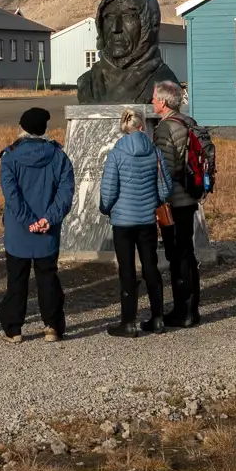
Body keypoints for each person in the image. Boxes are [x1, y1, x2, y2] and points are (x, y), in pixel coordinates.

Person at [0, 107, 73, 342]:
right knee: (48, 278)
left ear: (22, 128)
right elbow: (65, 193)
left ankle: (13, 329)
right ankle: (52, 326)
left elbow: (11, 195)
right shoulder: (58, 156)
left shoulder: (10, 157)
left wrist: (28, 221)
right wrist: (48, 218)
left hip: (19, 229)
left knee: (16, 280)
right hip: (47, 228)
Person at [98, 107, 168, 337]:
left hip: (123, 221)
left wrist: (105, 208)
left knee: (126, 269)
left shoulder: (116, 153)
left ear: (124, 127)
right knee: (151, 267)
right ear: (142, 125)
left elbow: (109, 190)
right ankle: (158, 318)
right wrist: (153, 201)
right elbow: (165, 188)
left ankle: (128, 322)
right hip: (147, 219)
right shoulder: (155, 152)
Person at [149, 80, 203, 328]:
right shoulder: (188, 122)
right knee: (187, 252)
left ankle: (183, 310)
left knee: (177, 254)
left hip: (174, 202)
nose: (152, 101)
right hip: (190, 197)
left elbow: (165, 170)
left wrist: (158, 199)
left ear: (162, 102)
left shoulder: (165, 129)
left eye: (154, 97)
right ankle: (192, 308)